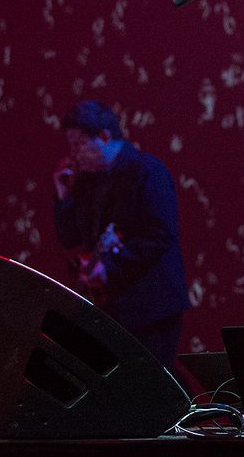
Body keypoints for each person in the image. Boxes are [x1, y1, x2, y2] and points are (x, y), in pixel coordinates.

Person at [53, 100, 188, 368]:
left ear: (104, 137)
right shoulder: (89, 180)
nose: (75, 154)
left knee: (150, 385)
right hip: (113, 309)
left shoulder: (147, 171)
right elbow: (70, 238)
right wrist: (63, 195)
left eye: (80, 144)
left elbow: (160, 236)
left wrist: (111, 266)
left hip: (151, 307)